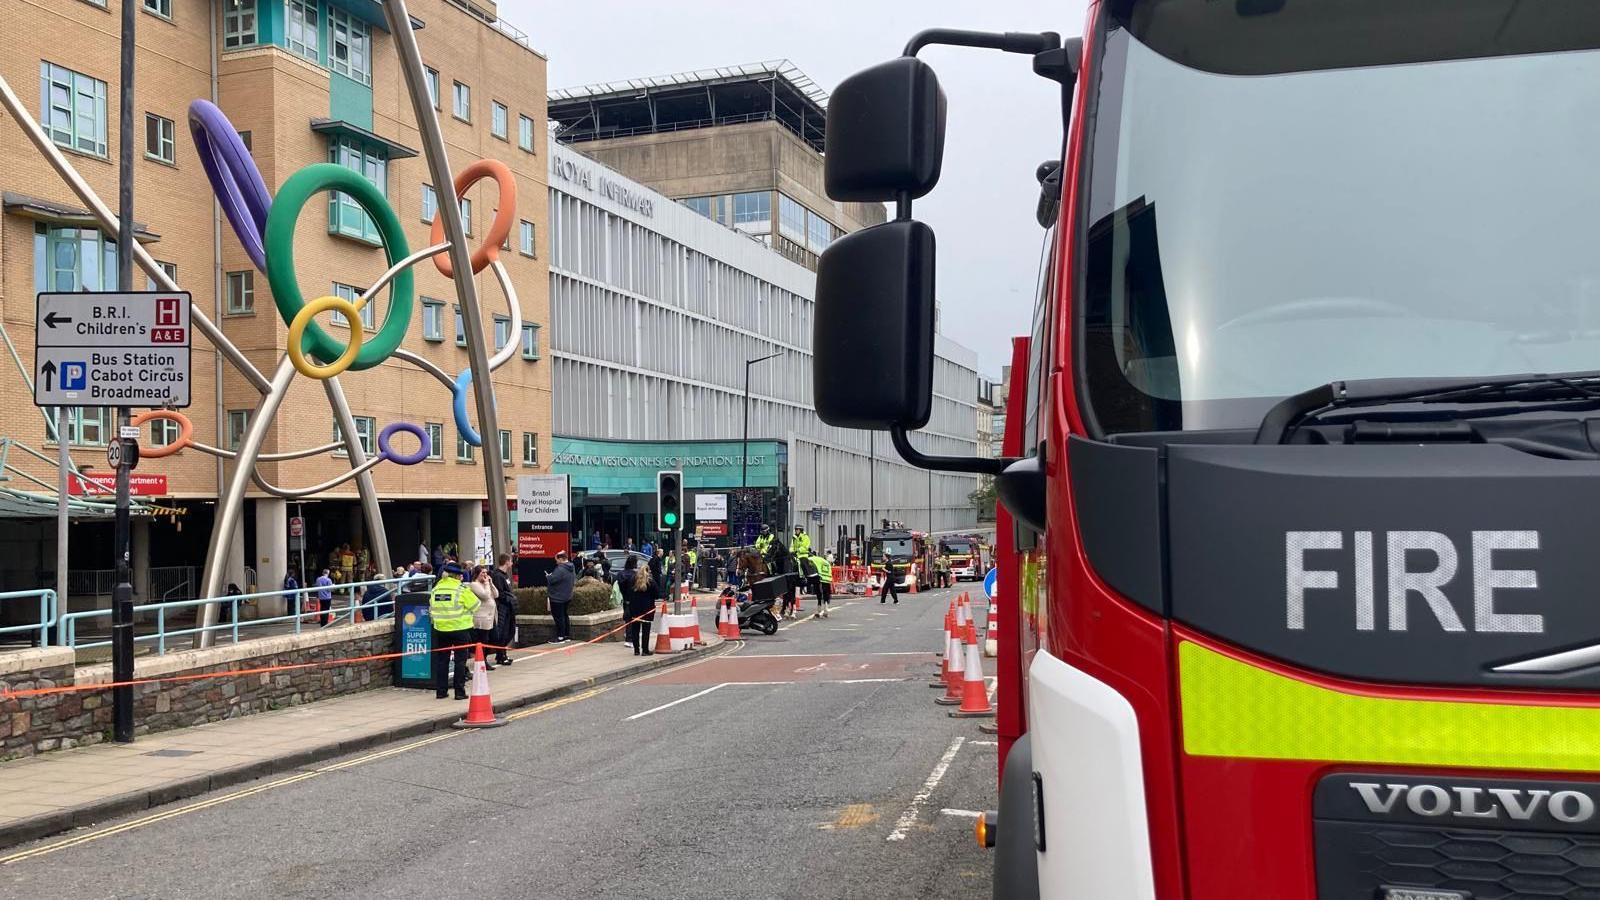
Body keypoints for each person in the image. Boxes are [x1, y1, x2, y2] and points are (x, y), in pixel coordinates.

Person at [428, 562, 479, 700]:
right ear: (457, 576)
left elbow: (431, 608)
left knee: (442, 661)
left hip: (441, 629)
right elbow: (476, 605)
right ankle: (459, 692)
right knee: (460, 662)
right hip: (459, 629)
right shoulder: (461, 589)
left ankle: (441, 691)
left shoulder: (436, 589)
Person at [619, 555, 655, 656]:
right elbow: (656, 594)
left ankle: (636, 650)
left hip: (634, 608)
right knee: (645, 630)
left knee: (635, 629)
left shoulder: (632, 580)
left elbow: (628, 593)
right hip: (647, 609)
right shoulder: (650, 582)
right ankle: (645, 650)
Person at [467, 565, 498, 669]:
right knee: (482, 640)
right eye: (482, 573)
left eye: (486, 572)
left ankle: (484, 659)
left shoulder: (486, 584)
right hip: (481, 618)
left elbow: (496, 594)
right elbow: (485, 596)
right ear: (477, 574)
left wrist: (491, 583)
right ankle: (482, 661)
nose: (485, 575)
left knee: (493, 639)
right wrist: (486, 584)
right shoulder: (474, 584)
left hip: (490, 617)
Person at [491, 553, 517, 666]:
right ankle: (501, 655)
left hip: (508, 607)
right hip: (502, 608)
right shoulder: (497, 576)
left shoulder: (505, 575)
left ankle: (502, 653)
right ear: (506, 561)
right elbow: (499, 593)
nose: (512, 563)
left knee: (510, 631)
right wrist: (508, 599)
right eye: (510, 561)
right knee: (503, 631)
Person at [545, 550, 576, 643]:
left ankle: (560, 637)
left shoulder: (560, 569)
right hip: (567, 595)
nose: (556, 562)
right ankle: (566, 635)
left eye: (557, 560)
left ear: (561, 559)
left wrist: (548, 576)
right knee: (564, 616)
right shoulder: (571, 567)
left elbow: (552, 579)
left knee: (559, 617)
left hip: (557, 597)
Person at [809, 552, 833, 617]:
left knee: (823, 590)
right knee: (822, 590)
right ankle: (823, 608)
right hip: (824, 573)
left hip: (820, 574)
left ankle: (824, 607)